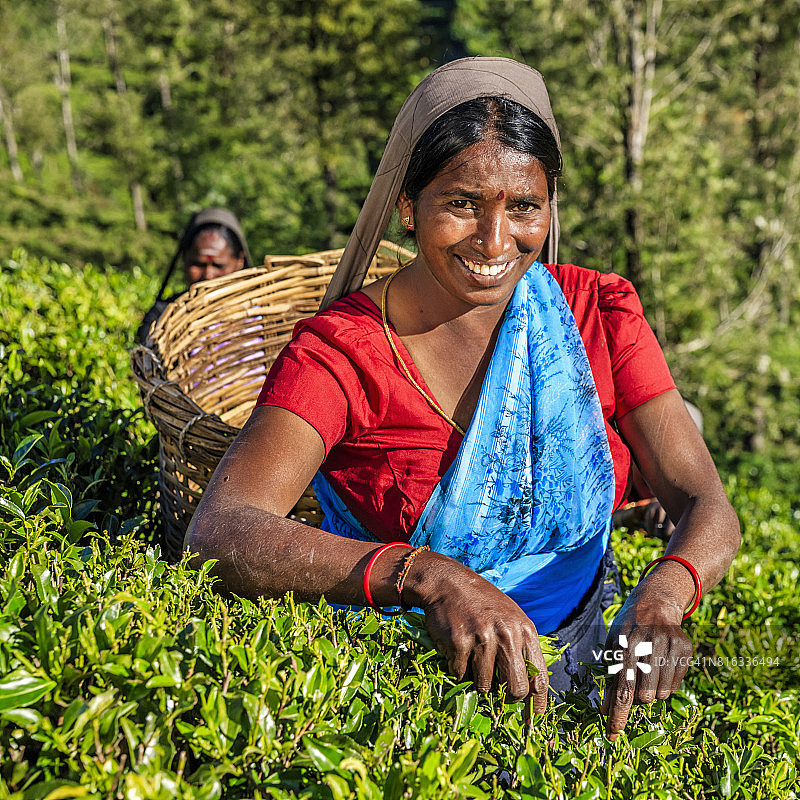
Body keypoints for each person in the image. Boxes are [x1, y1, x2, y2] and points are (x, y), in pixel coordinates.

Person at [184, 58, 740, 740]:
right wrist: (425, 575)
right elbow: (222, 529)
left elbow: (706, 502)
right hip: (399, 696)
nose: (496, 240)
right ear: (408, 207)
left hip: (584, 667)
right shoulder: (344, 353)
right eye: (462, 203)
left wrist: (663, 597)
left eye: (524, 206)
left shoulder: (598, 314)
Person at [136, 207, 252, 344]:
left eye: (218, 265)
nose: (208, 275)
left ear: (239, 261)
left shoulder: (259, 310)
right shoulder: (161, 317)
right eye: (198, 264)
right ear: (185, 259)